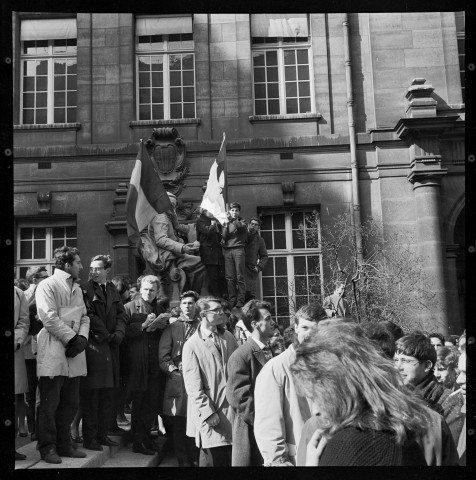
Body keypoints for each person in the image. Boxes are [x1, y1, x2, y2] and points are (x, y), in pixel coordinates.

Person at [292, 322, 430, 466]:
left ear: (342, 389)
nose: (315, 410)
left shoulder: (346, 446)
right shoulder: (399, 434)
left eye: (319, 397)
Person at [254, 302, 327, 466]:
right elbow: (268, 423)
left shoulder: (330, 363)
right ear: (295, 328)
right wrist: (278, 461)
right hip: (296, 459)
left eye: (317, 329)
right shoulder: (276, 368)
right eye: (305, 328)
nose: (311, 335)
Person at [35, 246, 89, 464]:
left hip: (74, 351)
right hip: (54, 348)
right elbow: (47, 317)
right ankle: (47, 448)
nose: (81, 266)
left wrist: (82, 339)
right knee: (49, 403)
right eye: (78, 262)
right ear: (67, 265)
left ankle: (64, 444)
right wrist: (72, 338)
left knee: (71, 402)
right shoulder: (47, 285)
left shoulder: (76, 288)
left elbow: (84, 316)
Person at [182, 296, 238, 466]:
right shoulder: (191, 345)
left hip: (231, 413)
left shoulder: (228, 337)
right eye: (216, 310)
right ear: (202, 315)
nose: (221, 313)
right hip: (211, 415)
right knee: (212, 461)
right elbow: (193, 387)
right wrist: (208, 412)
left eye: (221, 309)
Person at [80, 254, 126, 451]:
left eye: (98, 268)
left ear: (107, 270)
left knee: (108, 393)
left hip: (112, 345)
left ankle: (102, 434)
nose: (94, 271)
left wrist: (119, 333)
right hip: (95, 345)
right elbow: (88, 315)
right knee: (93, 394)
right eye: (92, 268)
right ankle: (90, 438)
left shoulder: (112, 289)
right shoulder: (86, 289)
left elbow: (121, 314)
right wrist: (107, 334)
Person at [123, 275, 170, 455]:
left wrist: (161, 324)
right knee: (139, 401)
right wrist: (142, 326)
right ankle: (138, 441)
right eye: (145, 289)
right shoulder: (129, 307)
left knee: (151, 401)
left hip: (154, 361)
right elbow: (123, 332)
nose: (148, 293)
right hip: (137, 362)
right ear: (139, 288)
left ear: (157, 291)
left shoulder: (159, 307)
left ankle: (145, 438)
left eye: (152, 290)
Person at [226, 304, 275, 466]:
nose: (273, 322)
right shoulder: (241, 355)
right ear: (254, 325)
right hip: (250, 432)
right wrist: (266, 424)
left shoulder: (269, 350)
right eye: (267, 319)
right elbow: (239, 399)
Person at [158, 291, 201, 467]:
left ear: (196, 305)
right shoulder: (172, 327)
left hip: (198, 378)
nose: (188, 307)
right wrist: (174, 371)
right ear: (180, 306)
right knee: (179, 422)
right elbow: (163, 356)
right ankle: (183, 460)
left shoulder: (202, 326)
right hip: (178, 379)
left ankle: (195, 457)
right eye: (184, 303)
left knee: (196, 419)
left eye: (191, 303)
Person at [149, 191, 205, 294]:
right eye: (171, 204)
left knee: (200, 262)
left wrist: (184, 245)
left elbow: (173, 236)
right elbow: (161, 239)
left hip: (173, 253)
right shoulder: (161, 217)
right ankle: (192, 293)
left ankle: (190, 292)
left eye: (174, 205)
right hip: (167, 256)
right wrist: (182, 247)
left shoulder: (167, 217)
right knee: (201, 263)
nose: (173, 207)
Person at [22, 266, 49, 442]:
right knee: (31, 394)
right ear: (34, 279)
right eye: (44, 277)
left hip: (44, 350)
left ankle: (41, 428)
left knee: (45, 392)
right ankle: (33, 429)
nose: (48, 279)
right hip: (27, 353)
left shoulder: (46, 293)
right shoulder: (23, 296)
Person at [394, 333, 451, 415]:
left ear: (427, 366)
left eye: (405, 361)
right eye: (396, 360)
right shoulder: (390, 395)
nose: (398, 367)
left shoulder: (447, 399)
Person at [222, 202, 248, 308]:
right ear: (229, 211)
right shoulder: (227, 223)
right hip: (228, 250)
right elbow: (225, 236)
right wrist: (226, 224)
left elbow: (240, 226)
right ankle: (232, 299)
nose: (234, 212)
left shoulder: (243, 222)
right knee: (230, 277)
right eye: (232, 210)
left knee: (239, 276)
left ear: (239, 212)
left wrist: (232, 220)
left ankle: (240, 300)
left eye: (236, 210)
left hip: (238, 249)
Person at [14, 286, 30, 461]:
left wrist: (17, 340)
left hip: (14, 349)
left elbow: (23, 321)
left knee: (14, 397)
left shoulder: (18, 293)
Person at [196, 210, 226, 298]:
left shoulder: (213, 221)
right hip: (208, 253)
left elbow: (218, 236)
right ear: (205, 211)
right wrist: (213, 225)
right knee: (213, 278)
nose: (212, 212)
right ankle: (217, 297)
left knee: (221, 275)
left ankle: (221, 296)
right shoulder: (200, 221)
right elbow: (207, 232)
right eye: (210, 211)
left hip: (217, 253)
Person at [244, 217, 268, 303]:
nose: (253, 226)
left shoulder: (260, 241)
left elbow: (264, 256)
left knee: (250, 299)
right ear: (248, 225)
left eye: (256, 225)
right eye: (252, 224)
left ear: (258, 227)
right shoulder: (241, 236)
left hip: (251, 272)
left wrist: (258, 267)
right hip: (240, 270)